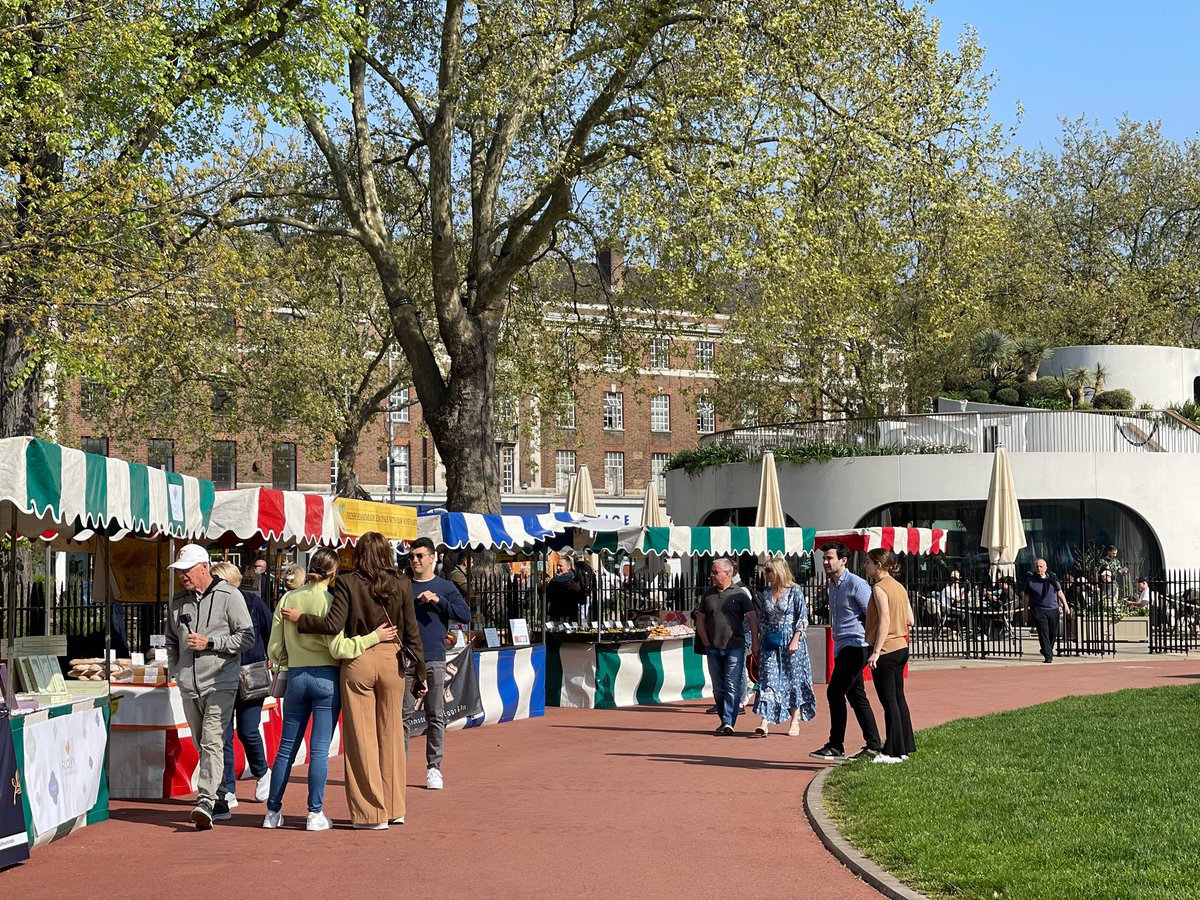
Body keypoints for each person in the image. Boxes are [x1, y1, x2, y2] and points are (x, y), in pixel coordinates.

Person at [281, 532, 425, 829]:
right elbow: (412, 632)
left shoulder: (347, 582)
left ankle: (371, 814)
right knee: (391, 735)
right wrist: (420, 674)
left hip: (359, 659)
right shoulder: (402, 582)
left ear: (359, 554)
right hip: (391, 660)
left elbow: (333, 625)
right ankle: (395, 806)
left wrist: (301, 619)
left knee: (361, 739)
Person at [264, 548, 393, 831]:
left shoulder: (288, 598)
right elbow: (339, 647)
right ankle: (314, 813)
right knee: (320, 750)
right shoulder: (332, 601)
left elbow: (274, 649)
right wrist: (373, 637)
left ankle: (272, 811)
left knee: (286, 748)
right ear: (334, 572)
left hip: (296, 675)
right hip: (326, 677)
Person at [165, 544, 254, 829]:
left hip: (221, 681)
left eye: (187, 570)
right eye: (179, 572)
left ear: (204, 567)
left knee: (212, 739)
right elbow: (170, 640)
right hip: (189, 684)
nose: (183, 576)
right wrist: (176, 670)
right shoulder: (178, 602)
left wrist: (212, 643)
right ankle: (220, 799)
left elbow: (247, 637)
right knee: (201, 741)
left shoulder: (230, 596)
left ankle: (204, 799)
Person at [403, 537, 471, 791]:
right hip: (407, 659)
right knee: (403, 714)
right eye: (412, 556)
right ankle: (399, 766)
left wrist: (439, 602)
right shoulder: (404, 586)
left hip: (434, 657)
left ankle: (434, 768)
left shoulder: (444, 586)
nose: (415, 560)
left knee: (435, 713)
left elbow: (464, 614)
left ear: (433, 558)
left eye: (420, 556)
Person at [810, 542, 882, 762]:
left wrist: (872, 645)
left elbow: (873, 613)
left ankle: (836, 745)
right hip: (842, 645)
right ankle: (873, 744)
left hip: (857, 645)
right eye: (823, 558)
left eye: (829, 558)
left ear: (843, 560)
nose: (825, 562)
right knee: (855, 695)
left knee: (834, 692)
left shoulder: (855, 584)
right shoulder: (833, 585)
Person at [210, 562, 272, 812]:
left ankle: (262, 771)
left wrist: (265, 657)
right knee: (223, 734)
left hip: (249, 675)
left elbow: (270, 631)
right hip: (220, 676)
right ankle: (228, 790)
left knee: (248, 731)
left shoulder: (253, 603)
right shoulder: (210, 606)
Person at [751, 557, 816, 738]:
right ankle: (765, 721)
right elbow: (762, 619)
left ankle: (794, 720)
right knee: (768, 680)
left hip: (791, 641)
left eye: (769, 570)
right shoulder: (765, 593)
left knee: (792, 680)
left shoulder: (795, 591)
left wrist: (795, 639)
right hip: (771, 641)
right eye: (765, 570)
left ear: (779, 571)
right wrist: (759, 640)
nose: (766, 574)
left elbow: (802, 618)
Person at [696, 557, 759, 735]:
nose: (712, 575)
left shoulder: (739, 593)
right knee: (718, 687)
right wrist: (706, 642)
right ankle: (724, 717)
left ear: (728, 573)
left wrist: (754, 641)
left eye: (716, 572)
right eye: (712, 572)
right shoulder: (708, 594)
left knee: (732, 684)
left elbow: (752, 618)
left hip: (735, 646)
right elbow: (700, 620)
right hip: (713, 647)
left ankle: (728, 721)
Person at [864, 549, 916, 764]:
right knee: (899, 698)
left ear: (878, 565)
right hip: (901, 646)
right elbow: (911, 619)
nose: (865, 566)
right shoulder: (899, 586)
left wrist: (876, 651)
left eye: (867, 562)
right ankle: (905, 745)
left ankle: (893, 751)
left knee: (889, 700)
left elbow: (884, 620)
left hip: (886, 650)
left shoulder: (879, 588)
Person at [1023, 558, 1070, 663]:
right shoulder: (1030, 580)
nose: (1039, 568)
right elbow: (1026, 597)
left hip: (1053, 609)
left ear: (1045, 568)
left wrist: (1065, 605)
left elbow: (1060, 592)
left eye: (1041, 566)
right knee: (1043, 631)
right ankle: (1048, 656)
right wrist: (1025, 613)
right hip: (1038, 609)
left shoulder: (1053, 578)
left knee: (1053, 632)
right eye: (1037, 566)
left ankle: (1046, 649)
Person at [546, 552, 586, 623]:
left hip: (570, 617)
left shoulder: (575, 580)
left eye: (560, 566)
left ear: (568, 567)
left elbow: (582, 601)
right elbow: (546, 598)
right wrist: (542, 588)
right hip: (555, 616)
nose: (558, 568)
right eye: (557, 565)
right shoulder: (553, 581)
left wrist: (578, 589)